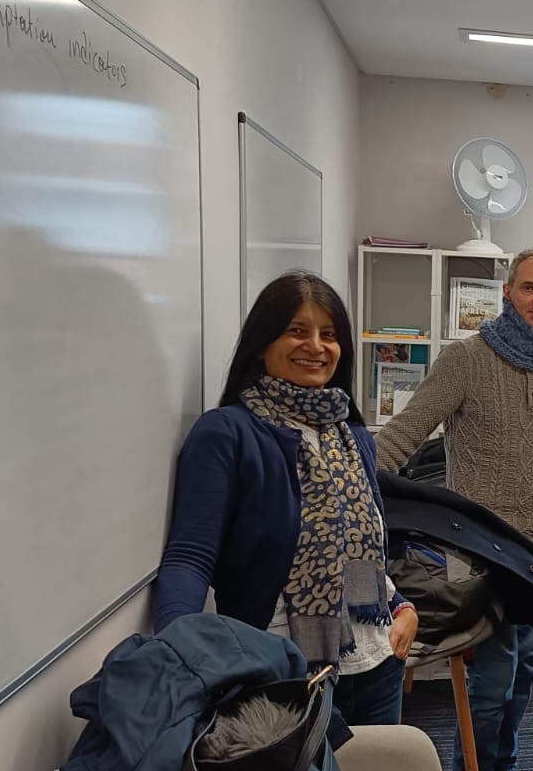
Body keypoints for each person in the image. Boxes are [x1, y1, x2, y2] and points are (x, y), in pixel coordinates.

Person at [375, 247, 533, 771]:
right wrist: (361, 490)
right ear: (507, 293)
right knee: (494, 677)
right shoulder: (466, 359)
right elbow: (408, 429)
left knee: (525, 671)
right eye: (529, 288)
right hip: (480, 550)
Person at [154, 272, 419, 727]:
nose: (315, 346)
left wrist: (402, 608)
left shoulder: (352, 436)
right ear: (261, 343)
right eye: (297, 330)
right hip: (286, 671)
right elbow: (190, 557)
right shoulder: (226, 433)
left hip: (377, 661)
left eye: (329, 334)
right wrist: (179, 657)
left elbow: (363, 550)